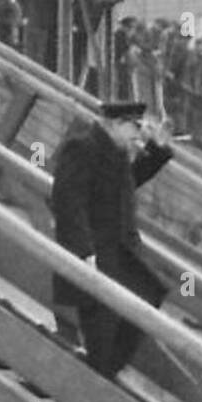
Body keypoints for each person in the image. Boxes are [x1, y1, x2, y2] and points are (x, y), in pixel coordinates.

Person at [51, 107, 174, 379]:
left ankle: (100, 379)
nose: (139, 135)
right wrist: (83, 251)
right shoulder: (82, 147)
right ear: (117, 124)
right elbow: (67, 201)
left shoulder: (115, 153)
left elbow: (125, 185)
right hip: (98, 256)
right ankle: (95, 388)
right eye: (136, 127)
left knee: (146, 298)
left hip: (122, 254)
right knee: (102, 331)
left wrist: (157, 150)